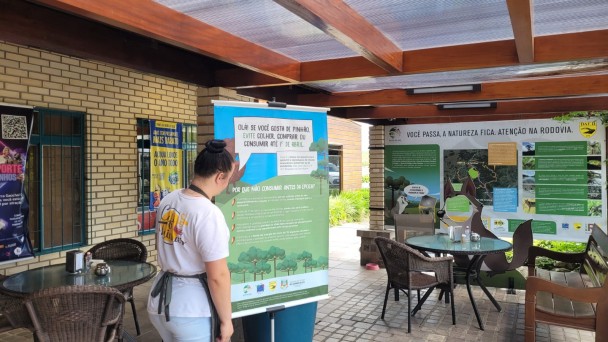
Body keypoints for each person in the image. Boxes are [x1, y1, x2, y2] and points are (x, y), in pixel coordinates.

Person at [148, 139, 235, 342]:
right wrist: (227, 320)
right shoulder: (208, 213)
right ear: (220, 176)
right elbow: (218, 276)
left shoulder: (169, 199)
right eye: (229, 179)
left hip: (159, 303)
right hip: (190, 310)